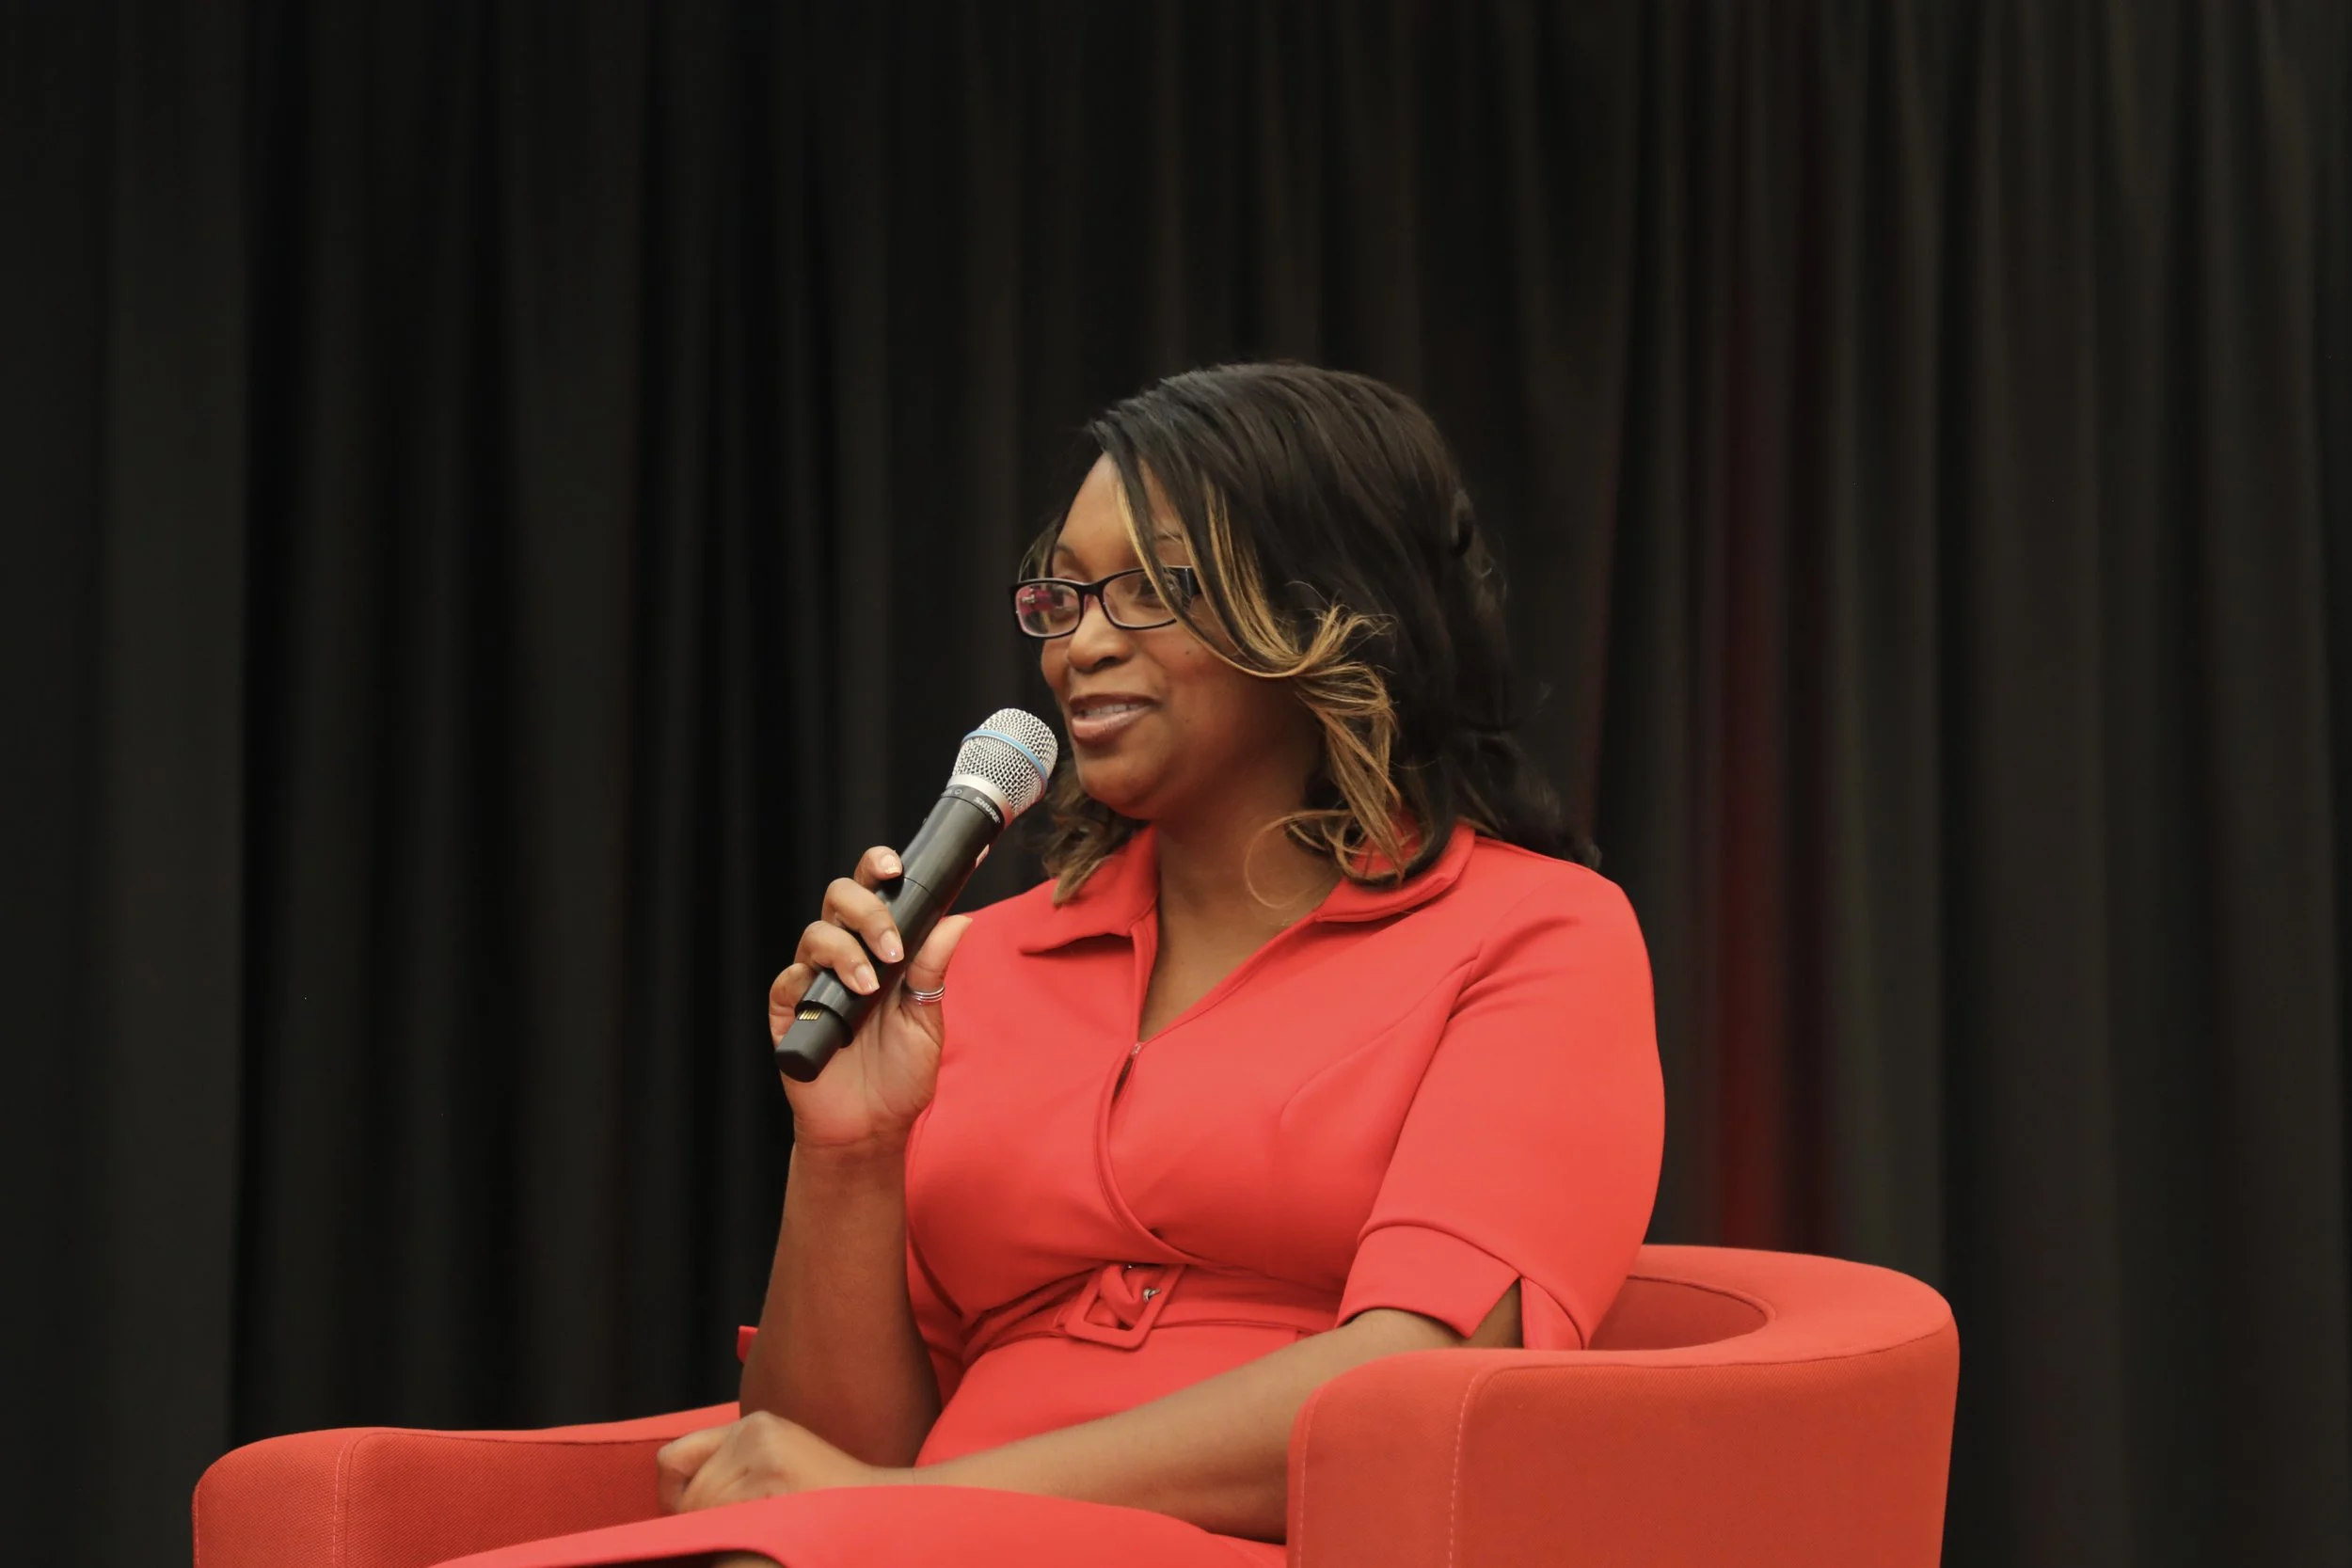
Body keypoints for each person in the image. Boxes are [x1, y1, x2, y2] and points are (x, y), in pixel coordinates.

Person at [445, 363, 1663, 1568]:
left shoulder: (1534, 936)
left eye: (1150, 590)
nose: (1080, 644)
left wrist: (913, 1508)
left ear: (1326, 606)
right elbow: (815, 1462)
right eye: (1064, 595)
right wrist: (849, 1154)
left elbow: (1416, 1384)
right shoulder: (974, 967)